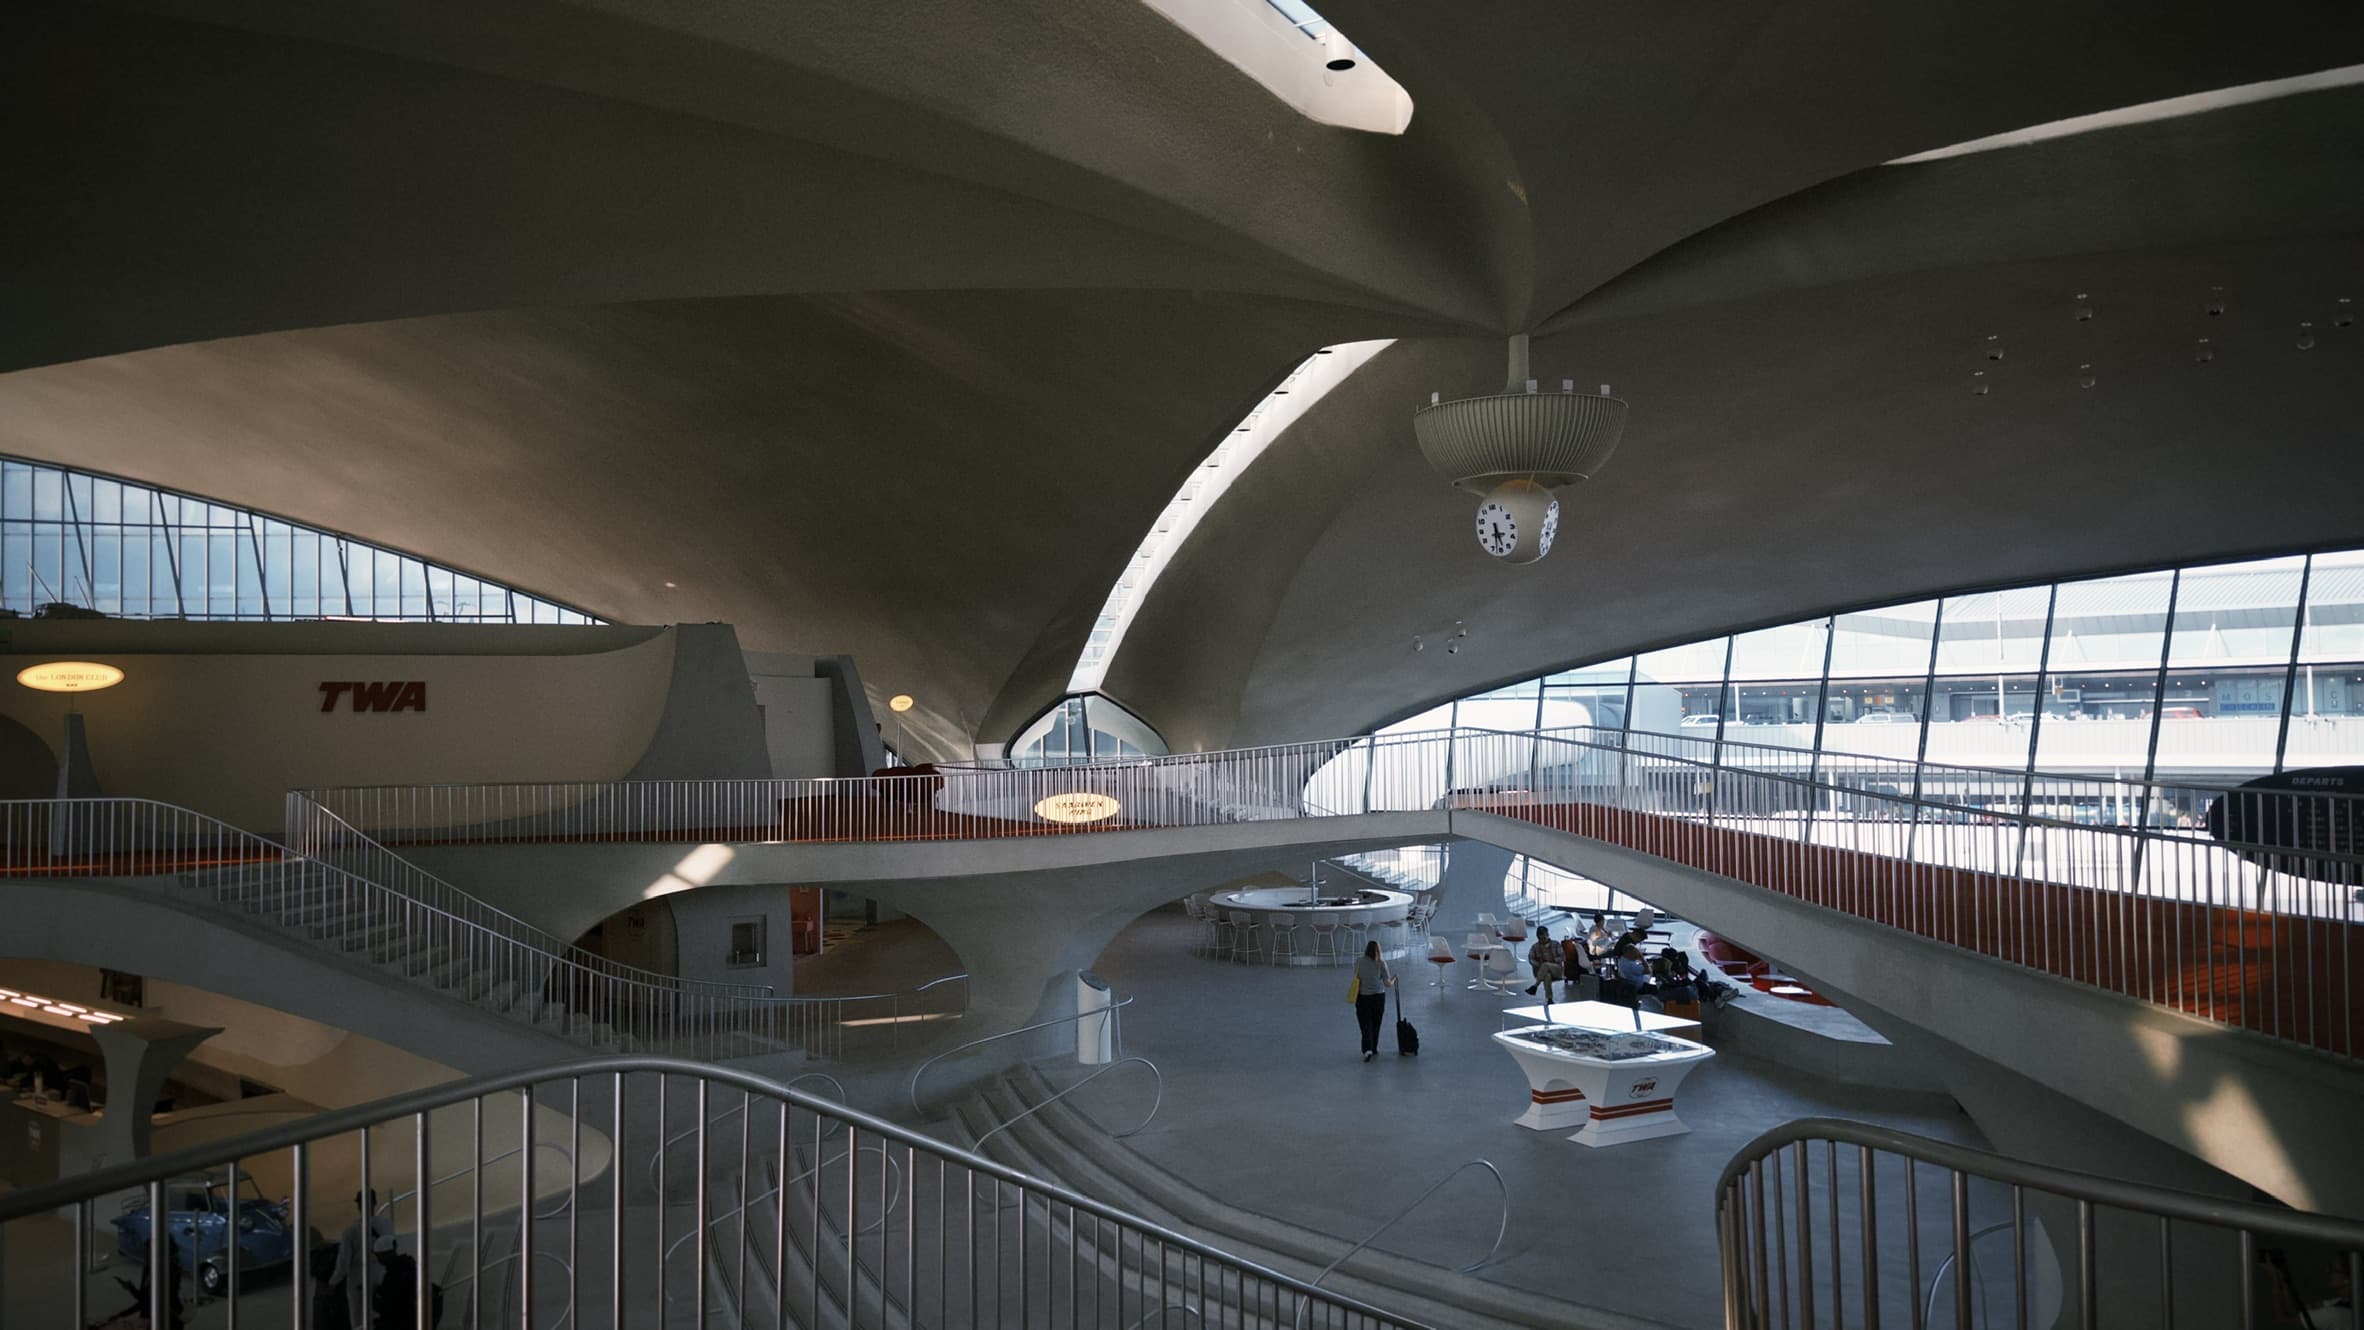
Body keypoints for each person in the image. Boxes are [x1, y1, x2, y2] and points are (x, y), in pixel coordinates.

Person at [330, 1189, 395, 1327]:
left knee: (359, 1322)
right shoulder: (388, 1224)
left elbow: (343, 1264)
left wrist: (333, 1282)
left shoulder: (350, 1232)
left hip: (358, 1282)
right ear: (375, 1203)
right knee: (381, 1318)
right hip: (382, 1278)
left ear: (358, 1206)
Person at [2266, 1250, 2354, 1330]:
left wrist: (2274, 1278)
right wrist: (2283, 1278)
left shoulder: (2334, 1314)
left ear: (2347, 1279)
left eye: (2332, 1268)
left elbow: (2283, 1323)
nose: (2327, 1271)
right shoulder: (2343, 1303)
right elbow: (2297, 1311)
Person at [1350, 940, 1396, 1062]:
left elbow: (1357, 977)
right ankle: (1374, 1047)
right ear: (1378, 950)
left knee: (1365, 1025)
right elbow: (1387, 984)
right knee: (1376, 1023)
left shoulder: (1359, 962)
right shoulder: (1381, 963)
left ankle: (1367, 1050)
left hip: (1363, 997)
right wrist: (1394, 980)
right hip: (1378, 998)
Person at [1523, 925, 1564, 1000]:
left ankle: (1535, 986)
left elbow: (1563, 957)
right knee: (1547, 976)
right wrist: (1539, 964)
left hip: (1557, 970)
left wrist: (1552, 960)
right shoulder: (1535, 947)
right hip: (1542, 972)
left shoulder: (1556, 944)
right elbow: (1531, 959)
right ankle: (1549, 999)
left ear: (1548, 935)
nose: (1542, 940)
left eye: (1544, 937)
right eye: (1540, 938)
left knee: (1545, 964)